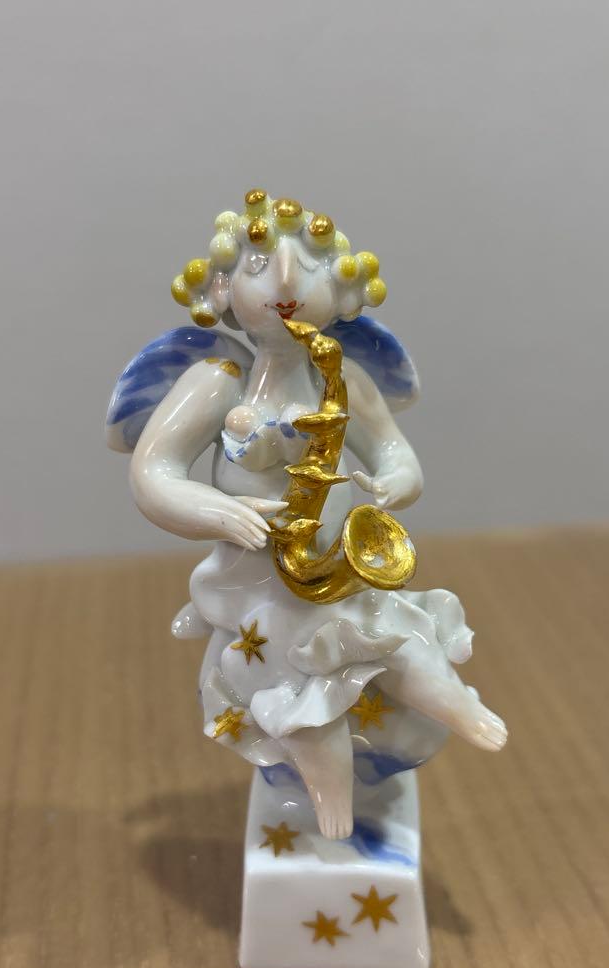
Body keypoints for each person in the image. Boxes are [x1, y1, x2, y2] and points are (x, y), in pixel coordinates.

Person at [106, 190, 507, 839]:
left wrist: (394, 481)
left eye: (311, 268)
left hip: (338, 568)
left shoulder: (340, 377)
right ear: (221, 287)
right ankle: (331, 806)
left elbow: (396, 453)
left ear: (344, 287)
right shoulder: (219, 381)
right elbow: (153, 475)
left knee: (402, 644)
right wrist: (221, 511)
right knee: (302, 693)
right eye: (259, 268)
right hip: (260, 586)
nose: (287, 286)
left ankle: (459, 707)